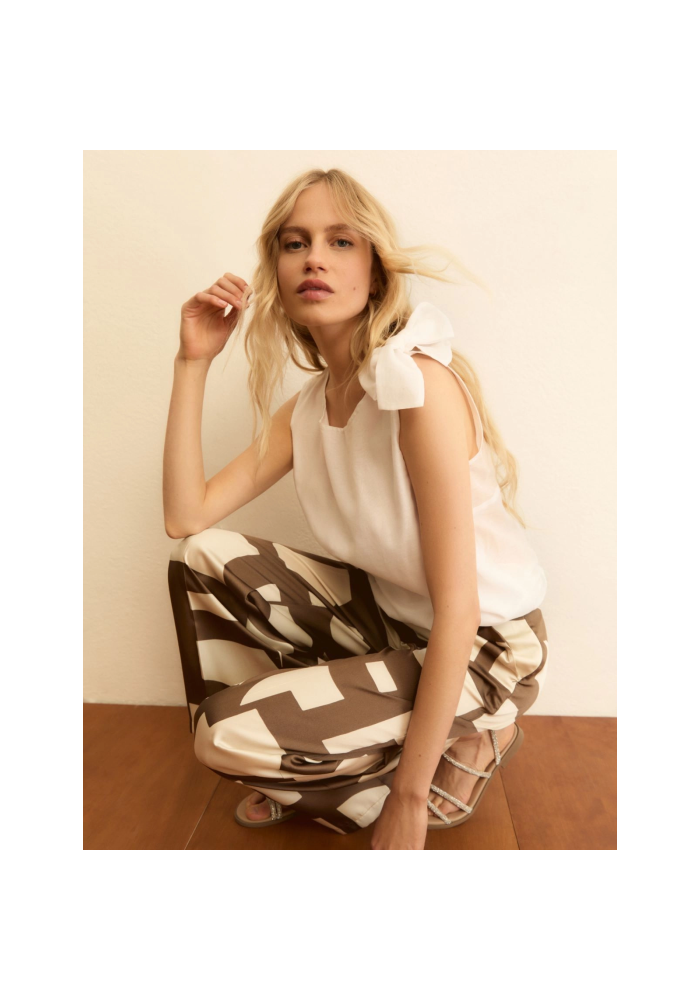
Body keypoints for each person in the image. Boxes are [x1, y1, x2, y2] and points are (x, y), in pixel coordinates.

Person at [163, 168, 549, 850]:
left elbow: (459, 608)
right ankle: (303, 758)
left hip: (483, 644)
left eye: (341, 242)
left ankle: (456, 740)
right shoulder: (309, 407)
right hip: (392, 622)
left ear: (374, 273)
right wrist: (192, 360)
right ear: (277, 273)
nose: (314, 258)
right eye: (295, 243)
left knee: (220, 737)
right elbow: (186, 517)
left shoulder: (416, 385)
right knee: (200, 558)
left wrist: (407, 801)